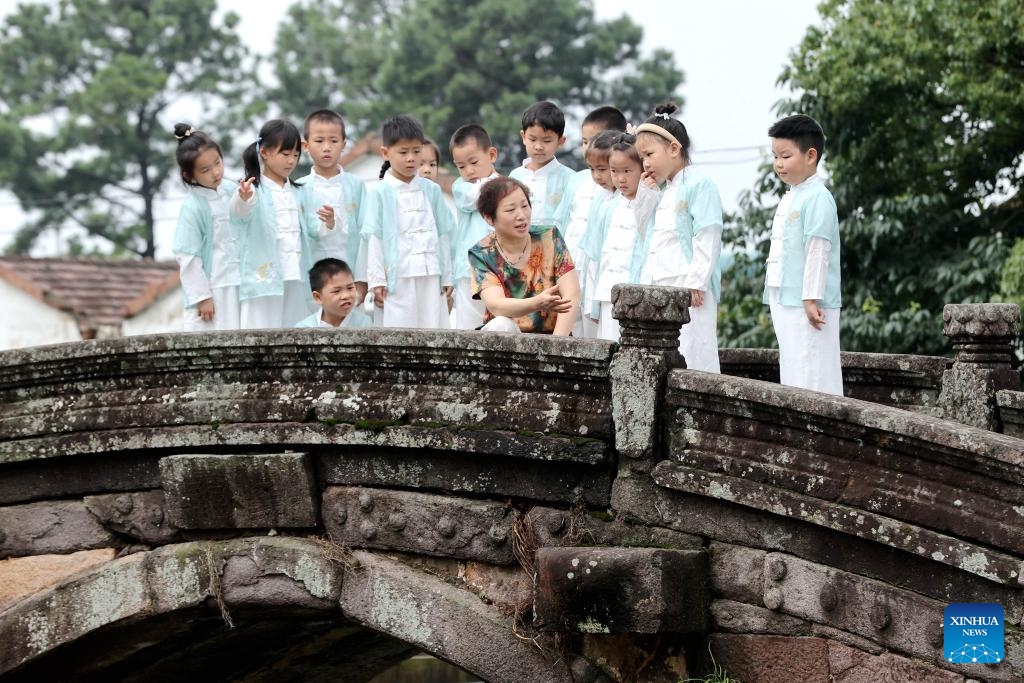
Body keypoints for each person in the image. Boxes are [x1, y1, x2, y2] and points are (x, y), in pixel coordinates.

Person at [635, 103, 724, 373]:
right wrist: (645, 192)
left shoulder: (700, 184)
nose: (645, 163)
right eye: (642, 157)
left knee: (694, 352)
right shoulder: (662, 190)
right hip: (660, 285)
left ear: (674, 149)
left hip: (688, 288)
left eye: (649, 154)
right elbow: (642, 231)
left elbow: (707, 234)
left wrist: (696, 283)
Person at [763, 114, 842, 395]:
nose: (778, 164)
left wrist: (811, 297)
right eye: (775, 156)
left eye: (785, 155)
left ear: (811, 156)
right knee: (794, 365)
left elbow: (818, 250)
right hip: (784, 295)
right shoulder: (793, 195)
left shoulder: (818, 197)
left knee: (813, 368)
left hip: (808, 301)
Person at [232, 118, 330, 328]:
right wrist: (244, 198)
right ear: (265, 153)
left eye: (295, 155)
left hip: (296, 275)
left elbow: (314, 230)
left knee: (295, 331)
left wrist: (327, 222)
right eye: (285, 154)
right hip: (263, 280)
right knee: (260, 332)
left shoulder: (300, 191)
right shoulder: (252, 190)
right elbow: (240, 215)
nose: (291, 161)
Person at [363, 114, 455, 329]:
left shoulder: (432, 190)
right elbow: (374, 238)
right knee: (399, 330)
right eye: (403, 152)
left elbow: (443, 234)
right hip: (398, 277)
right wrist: (377, 280)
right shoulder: (379, 192)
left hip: (432, 273)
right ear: (386, 153)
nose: (411, 158)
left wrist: (447, 276)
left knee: (434, 328)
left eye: (416, 151)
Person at [468, 177, 580, 335]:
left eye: (525, 206)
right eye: (510, 210)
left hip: (553, 338)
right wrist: (538, 302)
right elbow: (496, 305)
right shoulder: (482, 253)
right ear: (488, 218)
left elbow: (571, 295)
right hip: (506, 338)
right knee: (501, 324)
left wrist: (555, 347)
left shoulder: (550, 237)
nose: (521, 215)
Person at [555, 106, 627, 338]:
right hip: (573, 272)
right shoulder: (577, 182)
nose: (588, 147)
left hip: (607, 280)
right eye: (585, 141)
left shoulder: (626, 194)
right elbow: (561, 224)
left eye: (594, 140)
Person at [580, 132, 659, 341]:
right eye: (614, 171)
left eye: (627, 171)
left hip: (636, 294)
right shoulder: (609, 206)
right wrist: (592, 304)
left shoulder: (653, 201)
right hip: (607, 293)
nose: (620, 178)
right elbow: (596, 258)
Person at [171, 123, 240, 331]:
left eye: (218, 163)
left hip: (239, 283)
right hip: (214, 287)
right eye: (205, 170)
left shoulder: (233, 190)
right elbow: (188, 255)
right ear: (189, 175)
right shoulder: (193, 207)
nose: (216, 172)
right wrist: (202, 297)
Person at [296, 109, 369, 304]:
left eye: (334, 141)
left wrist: (362, 280)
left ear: (344, 145)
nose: (326, 147)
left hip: (350, 274)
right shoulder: (299, 188)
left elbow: (365, 234)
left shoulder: (356, 186)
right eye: (319, 141)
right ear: (306, 145)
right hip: (312, 279)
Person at [449, 124, 501, 330]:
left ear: (492, 155)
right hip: (468, 269)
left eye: (473, 162)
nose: (468, 171)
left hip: (499, 268)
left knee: (499, 324)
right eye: (461, 166)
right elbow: (480, 196)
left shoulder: (508, 185)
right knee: (468, 327)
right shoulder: (461, 187)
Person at [509, 101, 575, 228]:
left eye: (547, 140)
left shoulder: (570, 178)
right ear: (523, 137)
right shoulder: (515, 177)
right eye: (532, 139)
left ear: (561, 141)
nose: (538, 146)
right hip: (520, 245)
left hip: (556, 245)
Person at [295, 258, 372, 328]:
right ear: (318, 297)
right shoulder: (305, 328)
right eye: (336, 291)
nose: (346, 296)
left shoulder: (364, 324)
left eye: (350, 288)